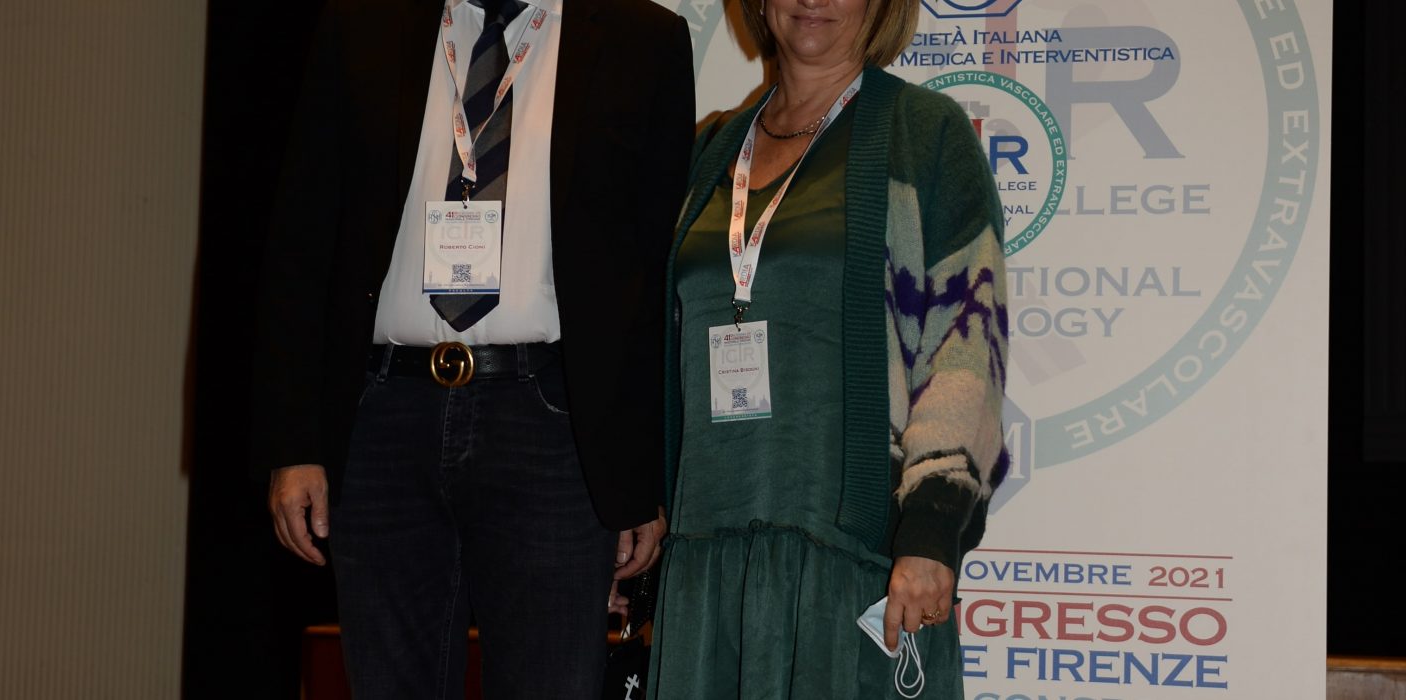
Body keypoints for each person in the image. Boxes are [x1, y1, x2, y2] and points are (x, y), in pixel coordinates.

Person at [250, 0, 694, 696]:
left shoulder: (646, 39)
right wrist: (295, 442)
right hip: (382, 418)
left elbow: (654, 274)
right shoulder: (364, 23)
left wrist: (640, 480)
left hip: (554, 427)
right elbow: (301, 240)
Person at [648, 0, 1008, 696]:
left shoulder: (924, 134)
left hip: (857, 554)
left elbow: (966, 348)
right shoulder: (709, 149)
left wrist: (931, 530)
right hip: (707, 547)